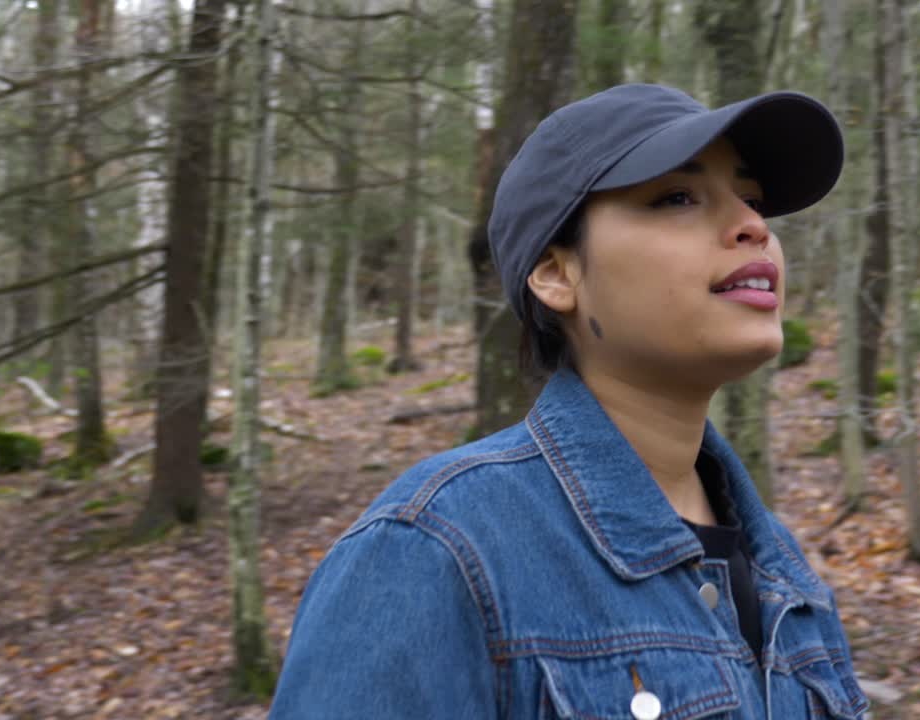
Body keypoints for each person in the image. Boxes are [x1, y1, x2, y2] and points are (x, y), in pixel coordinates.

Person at [269, 83, 867, 720]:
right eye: (677, 197)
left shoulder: (784, 570)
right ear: (557, 274)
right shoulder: (436, 550)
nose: (753, 226)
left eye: (751, 200)